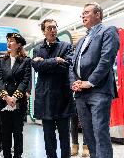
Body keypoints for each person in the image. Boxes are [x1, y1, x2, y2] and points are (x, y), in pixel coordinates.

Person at [71, 2, 120, 158]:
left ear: (98, 14)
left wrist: (90, 81)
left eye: (86, 12)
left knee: (100, 131)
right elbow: (73, 64)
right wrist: (75, 81)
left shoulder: (108, 31)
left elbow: (107, 59)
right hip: (81, 93)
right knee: (88, 134)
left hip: (98, 90)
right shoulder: (82, 40)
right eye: (82, 14)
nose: (82, 16)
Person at [32, 19, 75, 158]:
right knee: (48, 136)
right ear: (43, 31)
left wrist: (45, 63)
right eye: (49, 28)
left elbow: (66, 66)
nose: (52, 30)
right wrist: (55, 61)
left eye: (54, 27)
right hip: (45, 98)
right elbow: (37, 67)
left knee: (64, 136)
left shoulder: (66, 46)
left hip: (63, 97)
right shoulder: (37, 49)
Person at [0, 33, 31, 158]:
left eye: (11, 41)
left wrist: (15, 97)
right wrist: (6, 97)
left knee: (17, 131)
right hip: (3, 101)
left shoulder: (26, 61)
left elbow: (25, 80)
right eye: (8, 40)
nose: (8, 43)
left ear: (19, 44)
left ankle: (17, 155)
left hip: (19, 101)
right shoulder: (1, 60)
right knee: (5, 132)